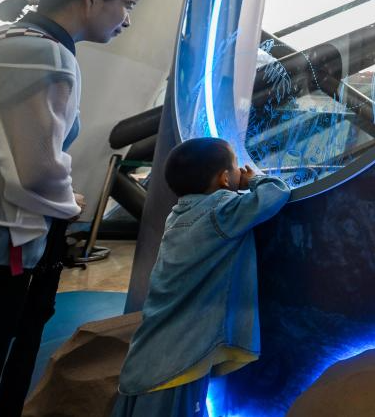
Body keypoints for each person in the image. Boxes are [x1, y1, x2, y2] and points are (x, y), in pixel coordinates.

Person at [0, 0, 140, 416]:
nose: (127, 20)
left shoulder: (7, 39)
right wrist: (68, 202)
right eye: (126, 5)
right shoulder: (46, 55)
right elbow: (36, 167)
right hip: (4, 240)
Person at [112, 138, 290, 417]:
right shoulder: (223, 211)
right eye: (236, 166)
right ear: (224, 178)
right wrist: (255, 180)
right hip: (181, 355)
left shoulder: (178, 213)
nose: (240, 171)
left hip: (152, 350)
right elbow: (276, 193)